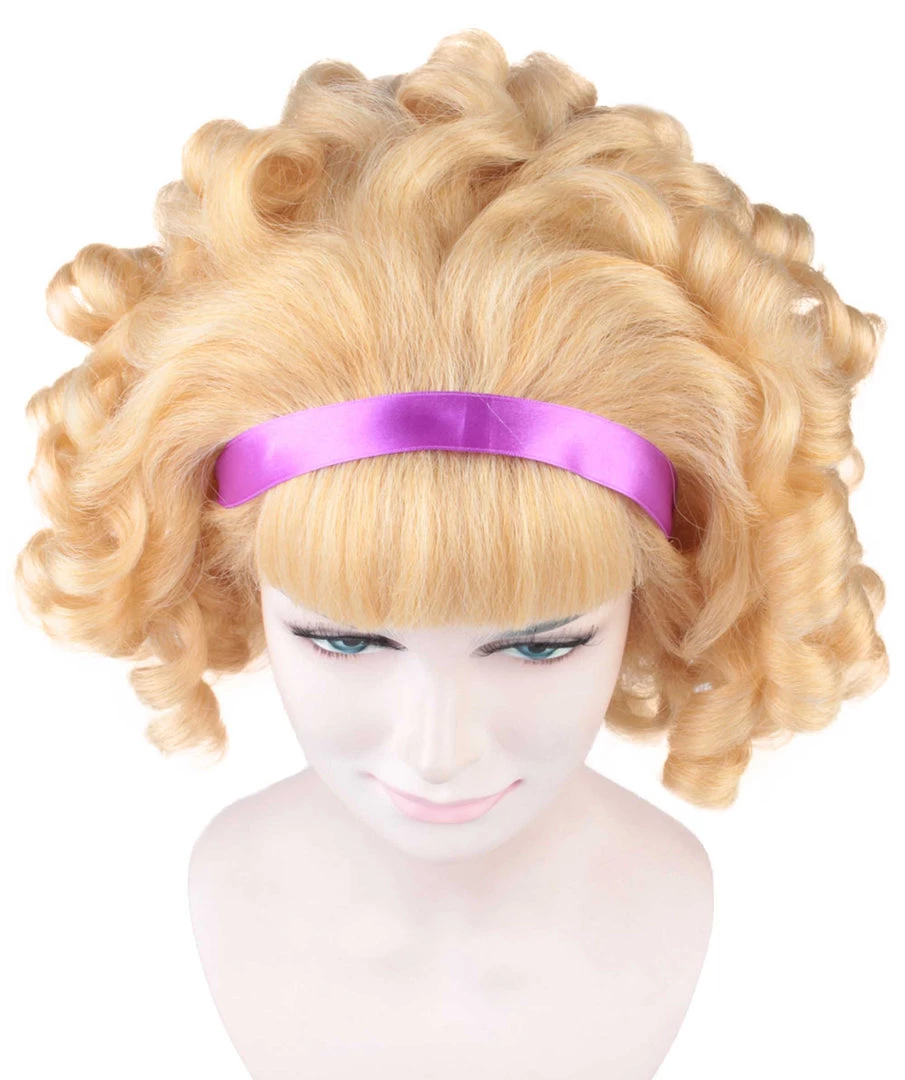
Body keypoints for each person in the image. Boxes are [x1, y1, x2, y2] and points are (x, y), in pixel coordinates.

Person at [15, 27, 888, 1080]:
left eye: (537, 647)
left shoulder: (816, 971)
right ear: (223, 576)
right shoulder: (89, 954)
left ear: (670, 585)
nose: (437, 749)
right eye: (344, 641)